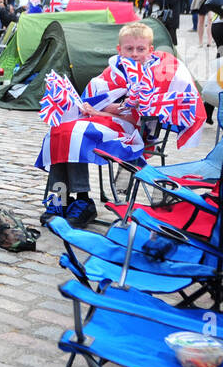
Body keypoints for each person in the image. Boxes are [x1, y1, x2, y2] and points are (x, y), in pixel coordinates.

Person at [37, 21, 203, 228]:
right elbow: (95, 99)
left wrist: (107, 109)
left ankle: (82, 199)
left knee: (76, 134)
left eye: (140, 49)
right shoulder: (112, 73)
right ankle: (60, 199)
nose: (134, 54)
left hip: (132, 134)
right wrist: (103, 108)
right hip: (102, 123)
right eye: (129, 49)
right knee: (60, 131)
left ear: (150, 50)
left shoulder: (157, 76)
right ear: (119, 50)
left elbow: (143, 118)